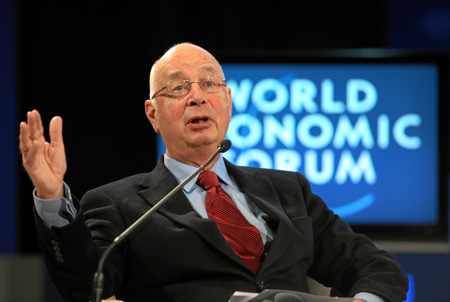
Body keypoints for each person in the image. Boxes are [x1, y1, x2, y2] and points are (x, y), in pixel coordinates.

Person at [19, 43, 408, 302]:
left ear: (228, 101)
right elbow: (86, 284)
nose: (197, 96)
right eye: (178, 88)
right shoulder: (116, 203)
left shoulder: (287, 189)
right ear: (153, 114)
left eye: (209, 83)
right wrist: (52, 198)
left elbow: (374, 265)